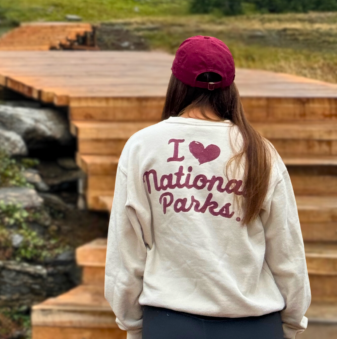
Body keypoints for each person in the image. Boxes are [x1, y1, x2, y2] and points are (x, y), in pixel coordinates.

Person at [105, 35, 309, 339]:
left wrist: (132, 324)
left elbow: (126, 252)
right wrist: (293, 322)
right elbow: (287, 253)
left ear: (176, 83)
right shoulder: (260, 151)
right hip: (254, 324)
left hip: (169, 323)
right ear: (230, 88)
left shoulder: (141, 147)